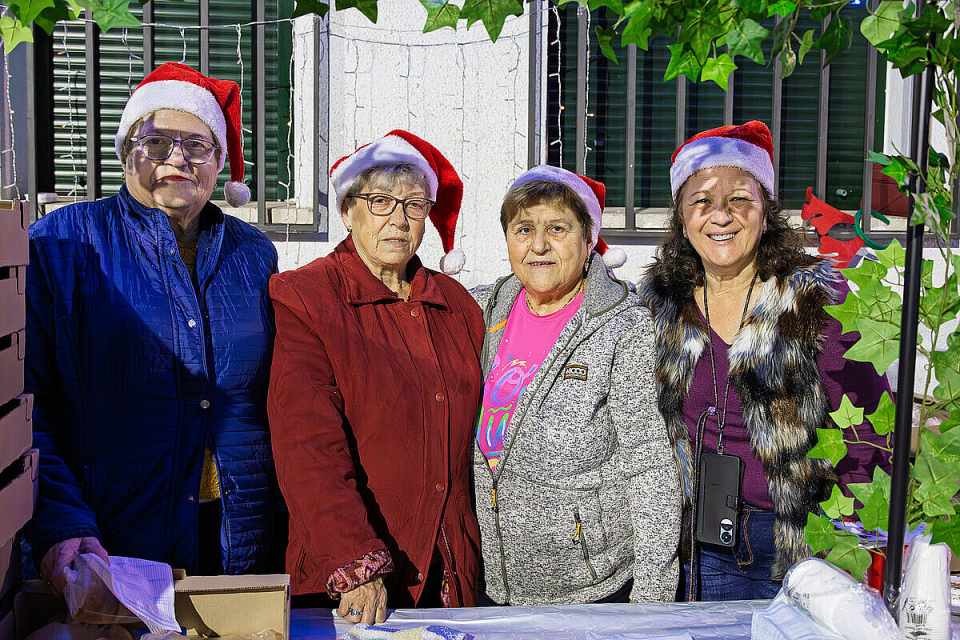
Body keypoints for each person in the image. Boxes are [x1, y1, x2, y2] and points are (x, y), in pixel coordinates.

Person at [27, 62, 279, 589]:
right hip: (110, 534)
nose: (177, 160)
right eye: (157, 142)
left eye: (197, 146)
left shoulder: (253, 255)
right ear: (126, 152)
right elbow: (30, 405)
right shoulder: (64, 244)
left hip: (239, 536)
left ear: (218, 165)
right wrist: (63, 519)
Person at [639, 121, 892, 601]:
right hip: (692, 544)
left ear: (765, 209)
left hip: (801, 543)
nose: (721, 216)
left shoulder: (817, 300)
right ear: (681, 217)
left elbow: (870, 432)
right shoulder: (660, 305)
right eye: (701, 201)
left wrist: (848, 536)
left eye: (739, 198)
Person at [267, 130, 482, 623]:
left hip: (450, 571)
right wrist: (355, 563)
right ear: (348, 211)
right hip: (351, 582)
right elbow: (307, 446)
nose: (398, 220)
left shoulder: (456, 306)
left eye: (413, 205)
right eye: (380, 201)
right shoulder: (307, 298)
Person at [471, 165, 681, 606]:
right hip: (496, 583)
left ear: (589, 241)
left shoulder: (622, 326)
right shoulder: (487, 309)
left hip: (593, 590)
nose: (539, 246)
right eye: (523, 229)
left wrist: (652, 598)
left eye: (558, 229)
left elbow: (650, 465)